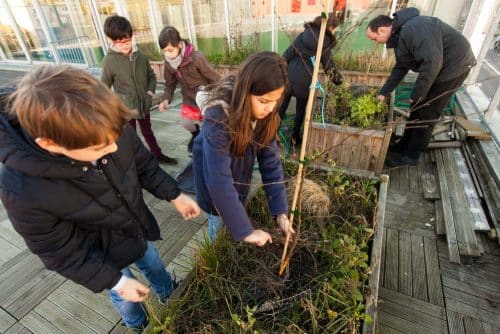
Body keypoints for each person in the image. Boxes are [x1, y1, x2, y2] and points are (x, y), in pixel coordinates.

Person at [0, 65, 201, 332]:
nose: (113, 147)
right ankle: (139, 325)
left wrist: (174, 195)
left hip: (134, 228)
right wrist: (116, 281)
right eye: (99, 147)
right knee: (126, 297)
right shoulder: (22, 189)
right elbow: (58, 251)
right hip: (99, 256)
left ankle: (170, 294)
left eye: (115, 137)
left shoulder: (109, 127)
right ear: (50, 144)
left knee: (154, 264)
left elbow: (143, 165)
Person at [192, 51, 295, 245]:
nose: (271, 108)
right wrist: (246, 231)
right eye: (264, 101)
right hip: (213, 189)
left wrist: (280, 211)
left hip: (238, 177)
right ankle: (220, 248)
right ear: (245, 92)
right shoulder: (218, 118)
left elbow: (271, 164)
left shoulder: (266, 116)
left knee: (234, 218)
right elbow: (218, 180)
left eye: (276, 101)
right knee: (219, 227)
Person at [366, 7, 476, 167]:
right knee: (416, 108)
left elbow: (432, 63)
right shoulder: (401, 35)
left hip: (454, 67)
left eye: (373, 38)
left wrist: (417, 95)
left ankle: (411, 157)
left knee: (427, 112)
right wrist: (384, 92)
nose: (375, 43)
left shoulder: (414, 28)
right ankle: (403, 146)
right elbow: (400, 68)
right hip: (441, 67)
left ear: (382, 30)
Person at [101, 15, 177, 165]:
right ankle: (136, 163)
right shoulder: (109, 61)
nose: (124, 45)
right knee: (130, 137)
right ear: (110, 39)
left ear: (131, 36)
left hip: (144, 105)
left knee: (148, 132)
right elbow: (104, 88)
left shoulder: (141, 57)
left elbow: (152, 76)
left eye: (127, 40)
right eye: (119, 42)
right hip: (126, 109)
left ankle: (157, 155)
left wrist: (149, 92)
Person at [278, 12, 343, 147]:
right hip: (306, 79)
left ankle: (272, 135)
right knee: (300, 110)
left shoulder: (303, 35)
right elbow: (329, 68)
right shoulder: (324, 43)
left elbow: (286, 55)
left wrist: (282, 73)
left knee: (282, 106)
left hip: (289, 76)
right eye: (334, 29)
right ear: (330, 27)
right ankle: (294, 138)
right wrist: (339, 81)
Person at [158, 26, 220, 153]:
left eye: (170, 50)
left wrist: (220, 94)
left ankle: (209, 144)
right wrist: (166, 100)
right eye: (164, 51)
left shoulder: (196, 58)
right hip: (188, 98)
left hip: (205, 97)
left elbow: (214, 77)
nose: (167, 54)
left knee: (209, 125)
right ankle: (196, 134)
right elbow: (170, 84)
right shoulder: (168, 64)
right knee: (186, 123)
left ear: (179, 45)